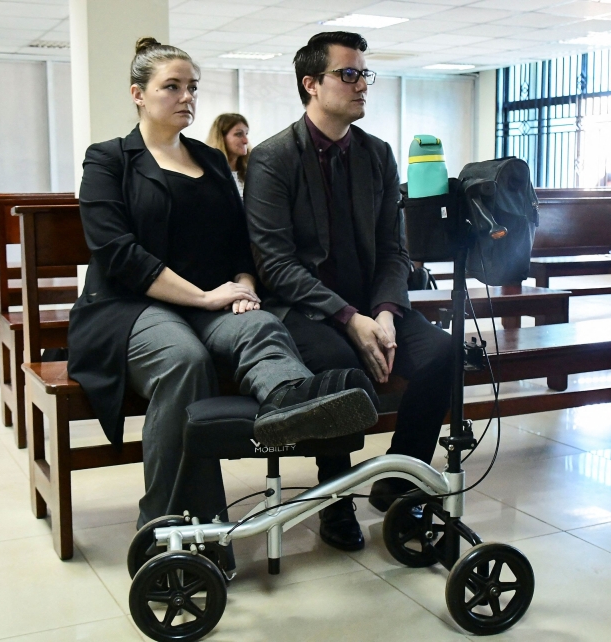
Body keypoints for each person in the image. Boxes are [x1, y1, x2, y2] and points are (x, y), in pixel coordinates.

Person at [66, 38, 378, 543]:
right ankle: (169, 525)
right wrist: (206, 297)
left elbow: (241, 243)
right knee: (184, 360)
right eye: (172, 87)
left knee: (260, 325)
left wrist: (245, 287)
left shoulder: (211, 161)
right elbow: (118, 253)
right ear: (138, 94)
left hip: (209, 303)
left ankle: (291, 403)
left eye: (192, 87)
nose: (186, 96)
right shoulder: (108, 160)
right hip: (129, 307)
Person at [243, 31, 453, 552]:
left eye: (364, 74)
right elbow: (275, 265)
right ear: (311, 84)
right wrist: (348, 318)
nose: (362, 85)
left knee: (443, 355)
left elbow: (394, 251)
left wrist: (383, 313)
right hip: (305, 309)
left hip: (372, 305)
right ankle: (334, 499)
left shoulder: (377, 154)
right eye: (349, 74)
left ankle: (400, 480)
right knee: (340, 367)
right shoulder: (272, 159)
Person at [206, 113, 250, 195]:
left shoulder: (251, 170)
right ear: (221, 138)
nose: (246, 141)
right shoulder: (208, 173)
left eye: (246, 134)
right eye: (239, 134)